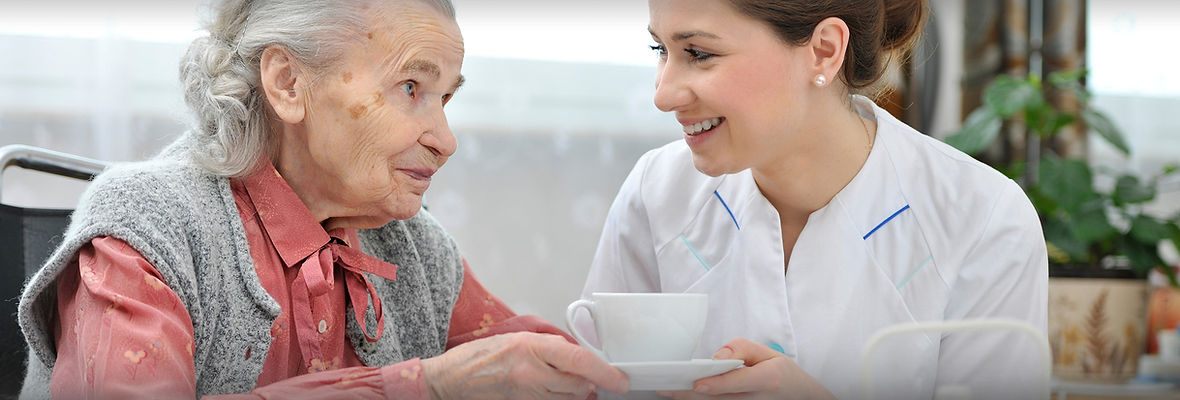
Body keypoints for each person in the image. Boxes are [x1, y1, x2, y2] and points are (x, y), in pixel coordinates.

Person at [17, 0, 630, 398]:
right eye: (411, 86)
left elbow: (536, 365)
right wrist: (425, 387)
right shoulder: (146, 232)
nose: (445, 141)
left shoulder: (411, 243)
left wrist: (688, 377)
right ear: (288, 83)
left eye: (446, 98)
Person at [577, 0, 1049, 399]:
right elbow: (600, 382)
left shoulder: (984, 220)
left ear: (823, 51)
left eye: (698, 53)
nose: (663, 94)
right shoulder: (657, 192)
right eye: (661, 49)